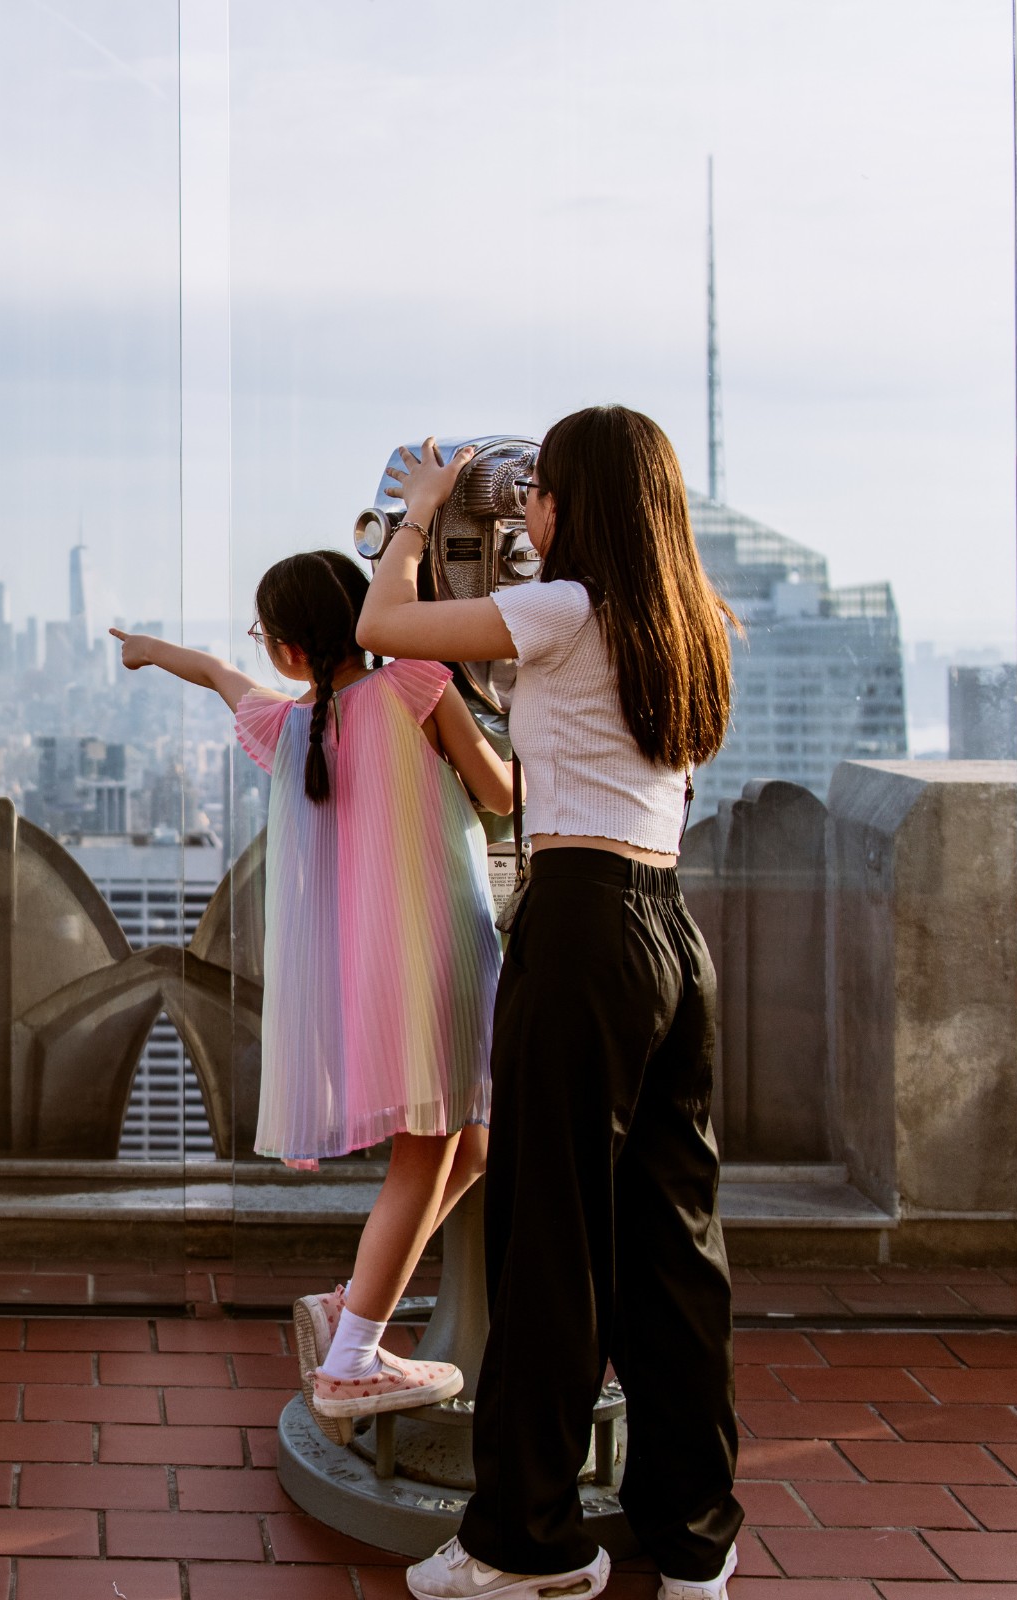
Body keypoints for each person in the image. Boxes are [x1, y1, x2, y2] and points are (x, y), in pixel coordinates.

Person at [366, 410, 743, 1600]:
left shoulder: (564, 609)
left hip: (580, 929)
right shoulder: (692, 622)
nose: (525, 519)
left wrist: (420, 512)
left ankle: (527, 1545)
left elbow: (382, 626)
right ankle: (696, 1539)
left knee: (553, 1244)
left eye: (540, 496)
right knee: (674, 1248)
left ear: (579, 502)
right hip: (671, 936)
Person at [111, 549, 513, 1432]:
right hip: (439, 956)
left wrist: (146, 650)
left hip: (373, 977)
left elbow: (218, 675)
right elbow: (501, 794)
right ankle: (353, 1359)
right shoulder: (417, 683)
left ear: (289, 649)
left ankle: (352, 1303)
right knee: (430, 1149)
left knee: (474, 1147)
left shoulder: (291, 728)